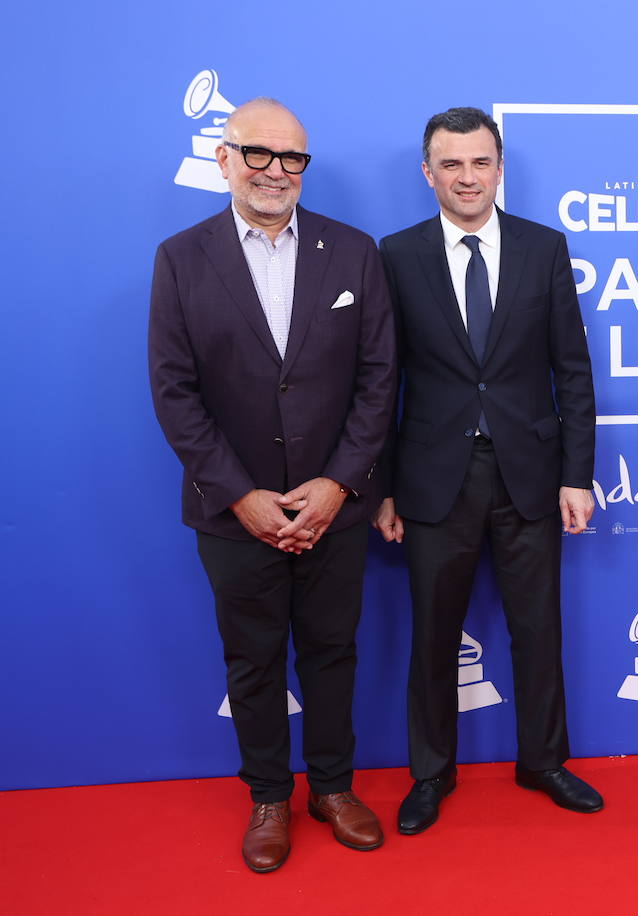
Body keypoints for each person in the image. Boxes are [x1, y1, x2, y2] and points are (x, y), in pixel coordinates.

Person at [148, 98, 396, 872]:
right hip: (234, 515)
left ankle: (331, 788)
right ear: (224, 159)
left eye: (291, 158)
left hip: (336, 510)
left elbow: (379, 379)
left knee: (331, 652)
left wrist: (339, 485)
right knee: (252, 661)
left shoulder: (353, 252)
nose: (275, 171)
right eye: (258, 154)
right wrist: (240, 495)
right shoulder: (181, 257)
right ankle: (267, 797)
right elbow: (174, 392)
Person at [373, 107, 602, 833]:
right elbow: (380, 381)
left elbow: (573, 369)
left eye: (479, 162)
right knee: (434, 635)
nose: (466, 177)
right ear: (428, 173)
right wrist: (380, 486)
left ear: (499, 168)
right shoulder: (397, 255)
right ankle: (431, 775)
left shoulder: (543, 248)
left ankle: (544, 761)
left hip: (531, 473)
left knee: (538, 630)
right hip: (433, 478)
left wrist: (576, 474)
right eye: (451, 164)